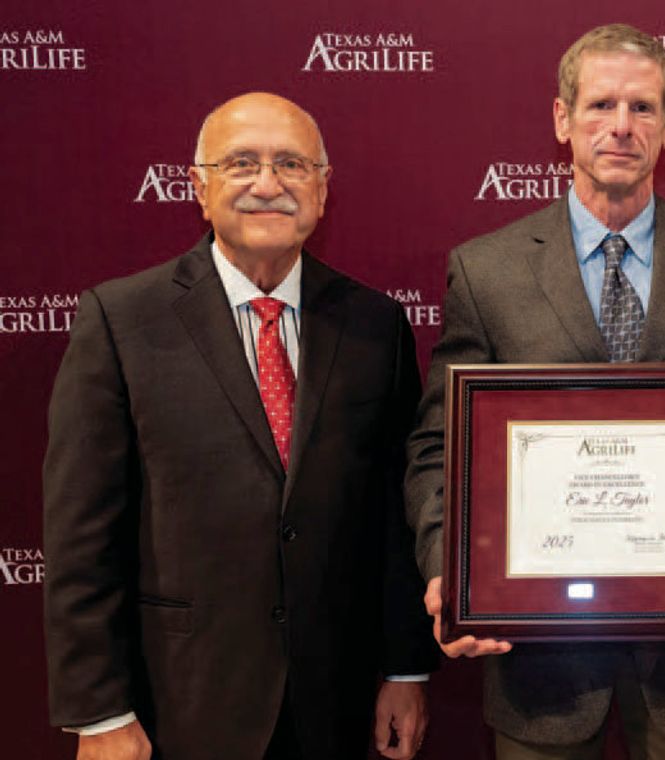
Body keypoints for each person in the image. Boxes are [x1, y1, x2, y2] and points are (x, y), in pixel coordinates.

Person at [404, 24, 665, 759]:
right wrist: (450, 571)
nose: (620, 126)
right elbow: (442, 443)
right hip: (539, 663)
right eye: (599, 105)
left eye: (643, 108)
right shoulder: (486, 269)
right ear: (562, 120)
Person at [43, 92, 437, 760]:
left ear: (322, 189)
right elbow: (82, 534)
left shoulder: (376, 326)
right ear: (199, 186)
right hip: (178, 705)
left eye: (291, 164)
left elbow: (394, 521)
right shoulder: (121, 320)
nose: (268, 184)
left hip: (332, 705)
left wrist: (404, 669)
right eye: (241, 163)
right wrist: (98, 710)